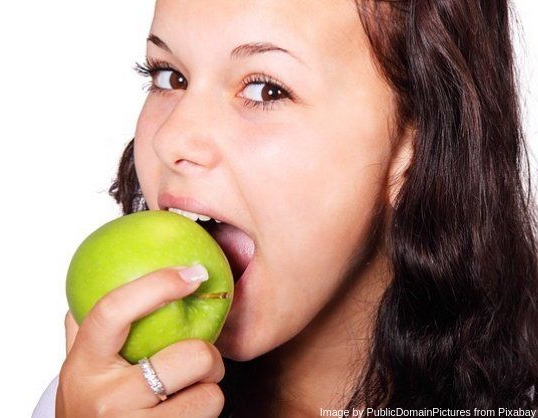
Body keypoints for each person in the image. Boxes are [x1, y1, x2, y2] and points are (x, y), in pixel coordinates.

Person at [33, 0, 538, 416]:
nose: (172, 139)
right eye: (170, 77)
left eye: (265, 89)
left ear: (416, 144)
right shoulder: (97, 403)